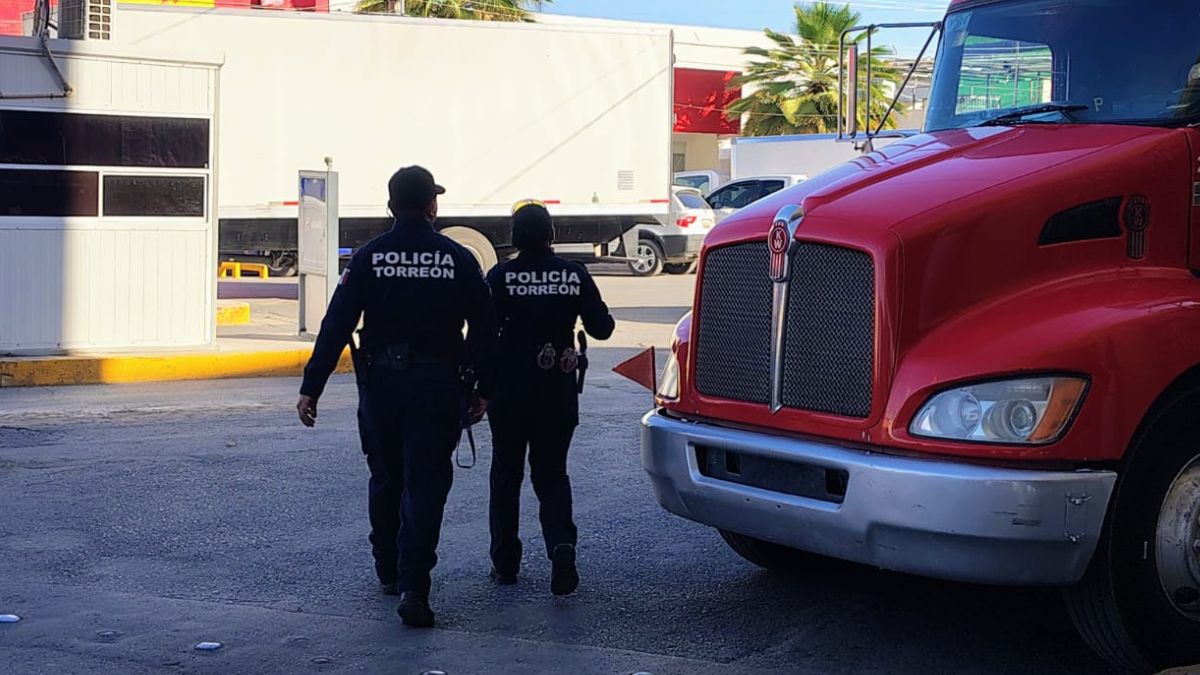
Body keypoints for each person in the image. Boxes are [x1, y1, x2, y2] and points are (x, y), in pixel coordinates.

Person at [296, 166, 495, 628]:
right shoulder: (457, 257)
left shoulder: (369, 257)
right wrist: (483, 387)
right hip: (437, 387)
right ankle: (414, 587)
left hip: (382, 386)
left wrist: (312, 386)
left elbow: (337, 323)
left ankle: (386, 566)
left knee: (386, 477)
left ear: (390, 206)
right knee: (425, 485)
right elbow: (486, 327)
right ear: (432, 206)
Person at [485, 200, 615, 595]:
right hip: (556, 386)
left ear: (514, 237)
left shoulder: (501, 276)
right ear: (551, 235)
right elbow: (603, 328)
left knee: (507, 474)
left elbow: (483, 333)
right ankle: (561, 544)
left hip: (509, 390)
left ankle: (506, 562)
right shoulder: (573, 274)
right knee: (552, 473)